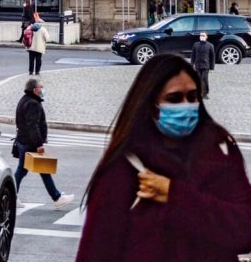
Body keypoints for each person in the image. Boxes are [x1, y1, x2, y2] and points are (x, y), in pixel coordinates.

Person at [76, 54, 251, 262]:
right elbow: (97, 250)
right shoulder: (124, 167)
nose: (186, 105)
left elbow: (245, 231)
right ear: (150, 104)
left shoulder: (219, 150)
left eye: (193, 97)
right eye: (174, 99)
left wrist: (174, 194)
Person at [14, 78, 74, 209]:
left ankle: (14, 196)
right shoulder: (33, 104)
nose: (43, 89)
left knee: (26, 171)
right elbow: (33, 125)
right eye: (41, 87)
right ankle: (57, 198)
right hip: (30, 142)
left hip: (23, 140)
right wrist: (39, 143)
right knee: (41, 169)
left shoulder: (24, 99)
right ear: (35, 90)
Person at [190, 31, 215, 99]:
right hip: (197, 65)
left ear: (206, 37)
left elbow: (212, 57)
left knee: (204, 79)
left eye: (203, 35)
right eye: (201, 35)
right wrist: (191, 64)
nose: (201, 36)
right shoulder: (196, 44)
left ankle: (205, 93)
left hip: (206, 66)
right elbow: (193, 56)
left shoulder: (210, 45)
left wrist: (212, 68)